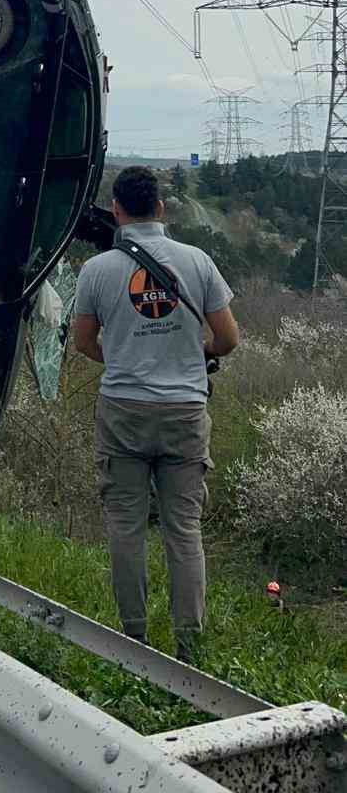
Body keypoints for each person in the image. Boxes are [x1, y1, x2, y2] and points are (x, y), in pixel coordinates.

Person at [72, 164, 239, 663]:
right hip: (184, 411)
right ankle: (189, 648)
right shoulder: (198, 262)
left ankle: (135, 641)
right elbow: (228, 338)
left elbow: (83, 341)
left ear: (116, 211)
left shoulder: (97, 270)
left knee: (125, 526)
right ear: (161, 209)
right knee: (184, 529)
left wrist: (124, 360)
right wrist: (196, 355)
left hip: (123, 412)